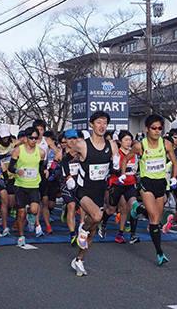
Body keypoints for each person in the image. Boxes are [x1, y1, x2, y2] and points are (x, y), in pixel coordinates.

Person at [121, 114, 177, 265]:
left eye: (160, 128)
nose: (157, 131)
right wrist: (122, 174)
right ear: (147, 129)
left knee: (157, 219)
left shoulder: (166, 144)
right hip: (146, 183)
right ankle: (160, 253)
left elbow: (174, 161)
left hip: (161, 183)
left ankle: (137, 210)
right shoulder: (140, 145)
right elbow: (126, 159)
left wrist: (175, 177)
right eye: (154, 128)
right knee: (153, 215)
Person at [70, 111, 119, 276]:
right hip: (83, 190)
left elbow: (114, 170)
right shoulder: (82, 144)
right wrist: (69, 177)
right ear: (91, 124)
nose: (102, 126)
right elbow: (64, 159)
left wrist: (118, 167)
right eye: (98, 122)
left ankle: (78, 259)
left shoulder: (111, 146)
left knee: (93, 231)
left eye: (105, 123)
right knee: (97, 216)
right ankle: (82, 228)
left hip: (99, 191)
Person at [99, 130, 140, 244]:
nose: (128, 142)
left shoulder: (133, 154)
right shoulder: (116, 154)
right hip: (116, 184)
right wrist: (118, 172)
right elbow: (111, 169)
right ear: (120, 141)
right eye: (126, 140)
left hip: (130, 184)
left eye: (129, 140)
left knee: (131, 207)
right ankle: (103, 223)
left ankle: (128, 234)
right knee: (112, 210)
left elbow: (136, 168)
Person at [9, 126, 47, 246]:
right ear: (25, 138)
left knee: (35, 210)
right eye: (31, 138)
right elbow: (10, 167)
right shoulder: (18, 150)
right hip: (20, 185)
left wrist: (46, 171)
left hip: (34, 185)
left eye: (36, 138)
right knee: (20, 213)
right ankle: (21, 236)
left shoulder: (41, 152)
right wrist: (16, 171)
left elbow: (41, 168)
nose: (34, 140)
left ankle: (29, 211)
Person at [60, 129, 81, 245]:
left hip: (79, 183)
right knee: (72, 206)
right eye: (70, 139)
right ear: (66, 140)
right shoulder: (61, 153)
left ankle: (81, 226)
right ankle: (73, 234)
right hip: (65, 184)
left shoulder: (80, 152)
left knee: (79, 207)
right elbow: (51, 166)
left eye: (74, 139)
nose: (72, 141)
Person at [0, 124, 15, 237]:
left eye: (6, 136)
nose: (5, 139)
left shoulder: (14, 144)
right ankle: (5, 226)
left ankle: (5, 218)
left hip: (13, 176)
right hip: (1, 177)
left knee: (11, 203)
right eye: (3, 137)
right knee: (4, 201)